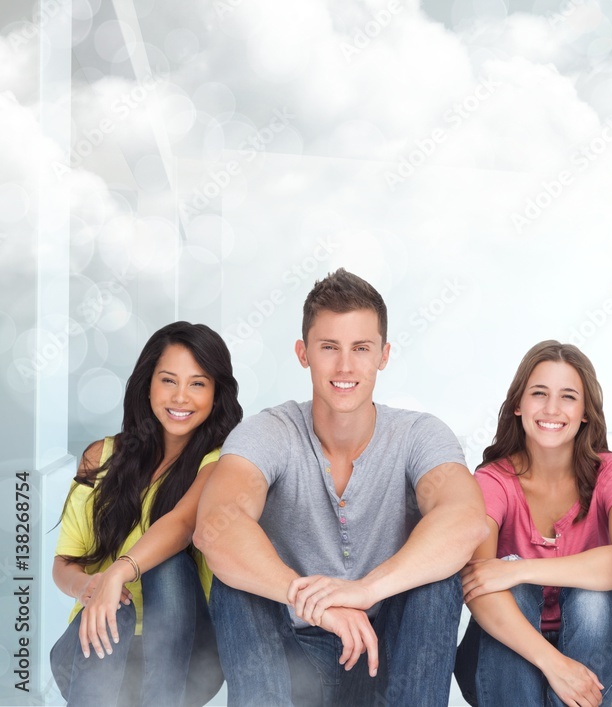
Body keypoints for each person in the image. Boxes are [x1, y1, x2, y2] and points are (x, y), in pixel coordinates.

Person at [193, 268, 487, 706]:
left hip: (387, 655)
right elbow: (216, 526)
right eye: (329, 347)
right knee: (235, 583)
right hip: (293, 659)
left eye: (361, 348)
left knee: (438, 580)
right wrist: (317, 602)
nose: (345, 366)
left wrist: (365, 590)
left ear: (383, 355)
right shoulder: (269, 432)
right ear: (303, 352)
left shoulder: (419, 434)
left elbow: (465, 520)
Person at [51, 321, 243, 706]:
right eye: (169, 380)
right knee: (114, 613)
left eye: (198, 383)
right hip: (98, 639)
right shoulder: (100, 457)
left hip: (183, 656)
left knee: (167, 564)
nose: (181, 397)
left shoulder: (221, 462)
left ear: (217, 393)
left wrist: (119, 570)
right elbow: (64, 564)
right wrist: (94, 587)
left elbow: (181, 524)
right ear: (148, 384)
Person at [454, 340, 612, 707]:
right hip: (504, 664)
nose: (552, 409)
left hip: (602, 656)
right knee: (514, 589)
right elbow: (478, 582)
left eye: (568, 397)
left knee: (589, 594)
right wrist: (553, 663)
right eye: (539, 393)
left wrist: (521, 569)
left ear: (586, 411)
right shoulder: (492, 481)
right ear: (518, 406)